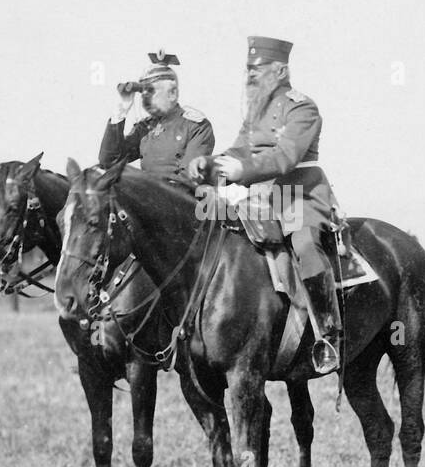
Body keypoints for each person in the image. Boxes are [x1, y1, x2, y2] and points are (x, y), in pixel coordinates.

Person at [190, 36, 342, 374]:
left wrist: (243, 170)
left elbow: (285, 156)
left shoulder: (301, 107)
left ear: (281, 70)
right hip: (261, 197)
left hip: (300, 193)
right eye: (248, 70)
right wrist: (210, 164)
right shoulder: (256, 112)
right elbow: (239, 150)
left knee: (304, 245)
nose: (250, 76)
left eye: (257, 70)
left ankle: (327, 333)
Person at [99, 50, 214, 186]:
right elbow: (109, 161)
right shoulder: (146, 127)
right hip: (148, 198)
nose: (145, 97)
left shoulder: (195, 126)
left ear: (172, 93)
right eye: (143, 91)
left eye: (151, 91)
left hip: (180, 201)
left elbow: (188, 180)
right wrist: (121, 110)